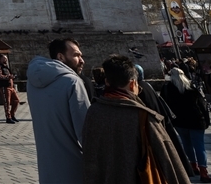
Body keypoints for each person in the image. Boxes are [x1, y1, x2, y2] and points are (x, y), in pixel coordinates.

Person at [82, 55, 191, 184]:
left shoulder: (93, 112)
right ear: (133, 83)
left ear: (107, 82)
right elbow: (169, 163)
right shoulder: (143, 116)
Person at [27, 38, 92, 184]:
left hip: (47, 168)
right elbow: (86, 132)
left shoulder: (31, 82)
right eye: (76, 55)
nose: (81, 60)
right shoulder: (72, 82)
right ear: (61, 56)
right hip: (73, 167)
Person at [161, 67, 211, 183]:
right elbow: (202, 105)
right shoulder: (191, 87)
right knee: (199, 146)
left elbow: (164, 106)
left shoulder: (167, 89)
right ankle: (203, 171)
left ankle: (193, 166)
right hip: (196, 121)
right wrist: (207, 120)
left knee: (186, 144)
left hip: (180, 122)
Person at [0, 54, 20, 123]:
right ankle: (8, 117)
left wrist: (12, 77)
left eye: (6, 58)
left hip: (11, 86)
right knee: (7, 103)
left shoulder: (6, 67)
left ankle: (12, 114)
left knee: (16, 100)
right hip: (4, 86)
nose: (6, 60)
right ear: (0, 59)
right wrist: (8, 77)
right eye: (4, 58)